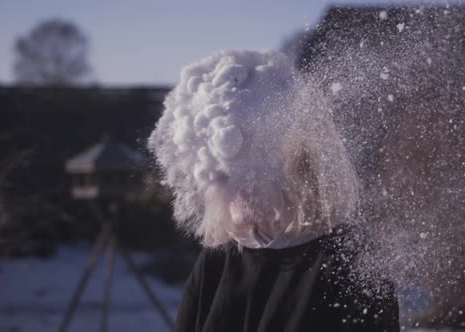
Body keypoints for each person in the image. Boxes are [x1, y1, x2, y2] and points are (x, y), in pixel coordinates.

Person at [149, 49, 399, 332]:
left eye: (248, 166)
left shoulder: (347, 262)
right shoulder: (217, 261)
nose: (237, 189)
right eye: (221, 174)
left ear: (293, 161)